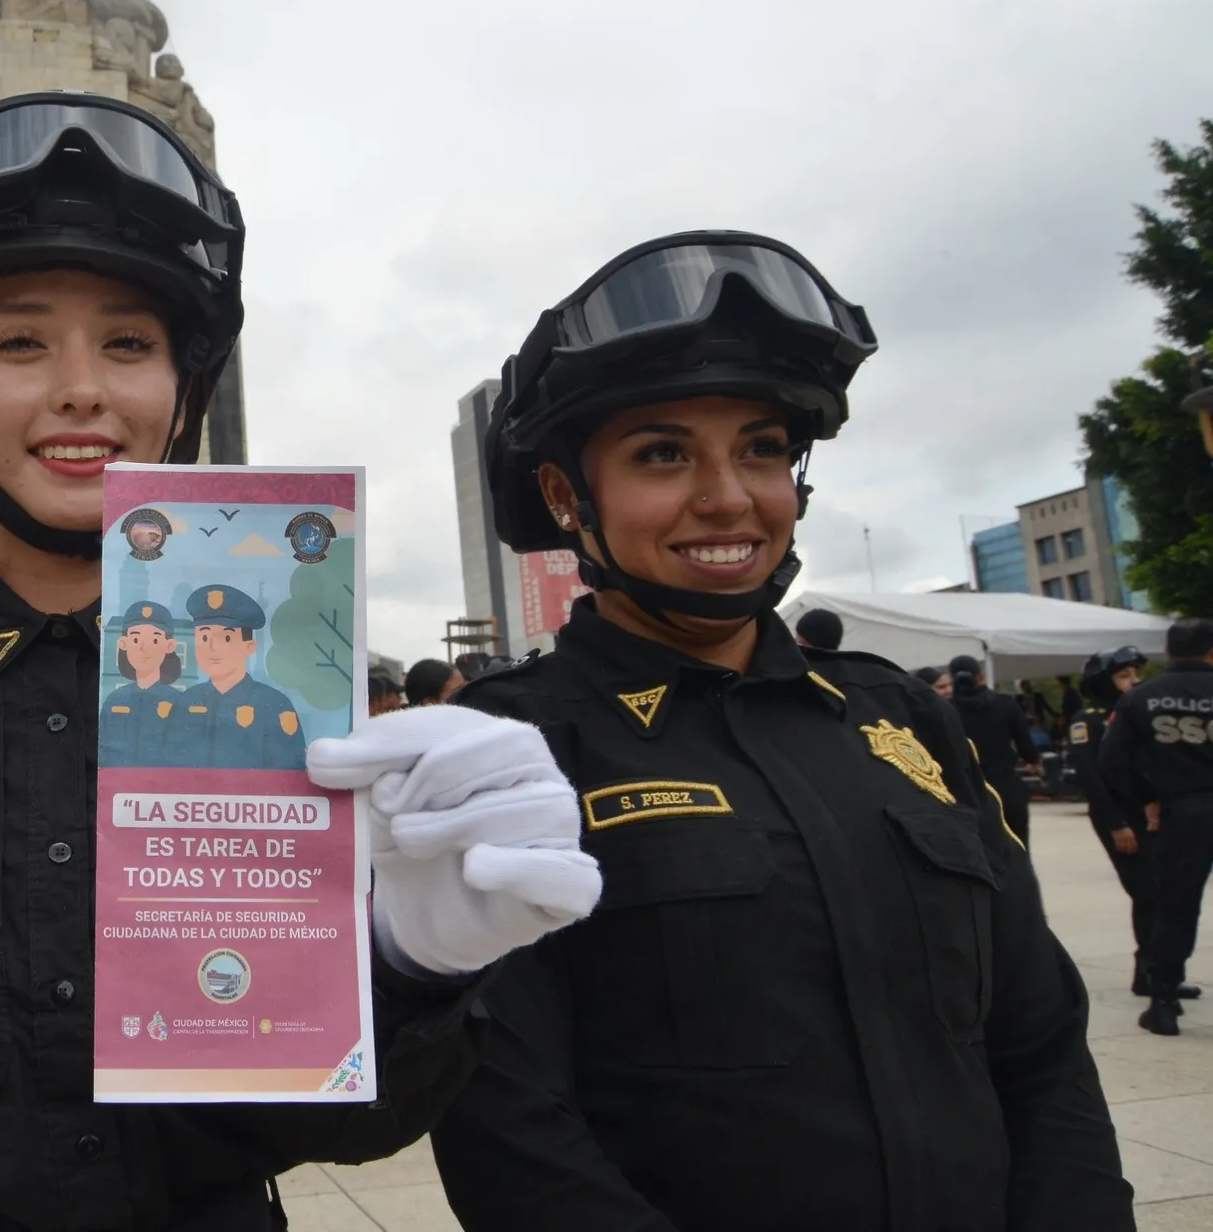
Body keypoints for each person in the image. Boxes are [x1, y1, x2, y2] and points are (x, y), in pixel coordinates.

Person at [0, 92, 595, 1231]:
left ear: (182, 394)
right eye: (16, 340)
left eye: (129, 343)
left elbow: (330, 1128)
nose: (81, 387)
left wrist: (409, 967)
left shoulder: (289, 709)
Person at [423, 229, 1130, 1230]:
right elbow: (505, 1123)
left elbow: (1041, 1048)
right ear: (562, 497)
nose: (728, 497)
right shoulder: (503, 748)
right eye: (662, 454)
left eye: (759, 449)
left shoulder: (904, 721)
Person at [1101, 617, 1213, 1037]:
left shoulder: (1142, 698)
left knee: (1175, 907)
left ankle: (1163, 1000)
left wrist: (1145, 799)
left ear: (1167, 652)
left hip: (1181, 812)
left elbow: (1112, 763)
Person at [1065, 646, 1187, 1003]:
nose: (1134, 681)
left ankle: (1158, 972)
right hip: (1119, 817)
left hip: (1153, 815)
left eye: (1135, 674)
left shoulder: (1137, 714)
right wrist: (1117, 824)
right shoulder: (1086, 721)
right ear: (1103, 682)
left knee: (1163, 894)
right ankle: (1149, 972)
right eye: (1124, 676)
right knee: (1147, 894)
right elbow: (1092, 780)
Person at [163, 584, 310, 768]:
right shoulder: (185, 703)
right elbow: (169, 769)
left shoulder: (274, 705)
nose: (213, 648)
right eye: (204, 637)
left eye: (226, 638)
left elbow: (291, 775)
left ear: (249, 646)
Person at [948, 654, 1042, 847]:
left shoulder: (946, 710)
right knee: (1017, 852)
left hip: (966, 791)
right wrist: (1034, 762)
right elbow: (1027, 747)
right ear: (981, 676)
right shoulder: (1006, 704)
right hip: (1006, 788)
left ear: (952, 679)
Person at [97, 600, 184, 765]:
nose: (144, 648)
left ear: (169, 646)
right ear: (123, 644)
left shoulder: (179, 703)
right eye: (136, 640)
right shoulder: (114, 700)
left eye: (155, 640)